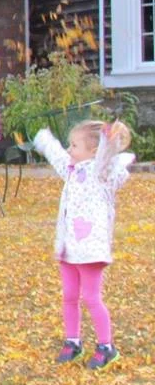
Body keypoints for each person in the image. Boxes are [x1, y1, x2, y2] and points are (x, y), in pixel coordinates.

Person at [32, 120, 133, 370]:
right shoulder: (71, 170)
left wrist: (108, 140)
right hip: (69, 248)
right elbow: (57, 156)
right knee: (69, 296)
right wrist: (44, 139)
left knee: (91, 298)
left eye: (74, 145)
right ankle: (73, 341)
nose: (69, 149)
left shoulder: (100, 174)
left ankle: (106, 347)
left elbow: (106, 157)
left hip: (91, 250)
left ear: (92, 151)